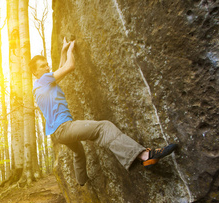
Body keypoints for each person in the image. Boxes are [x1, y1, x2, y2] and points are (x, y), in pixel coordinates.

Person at [30, 38, 178, 186]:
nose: (47, 67)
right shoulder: (44, 80)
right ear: (35, 72)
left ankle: (81, 183)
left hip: (58, 133)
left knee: (79, 152)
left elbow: (59, 70)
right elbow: (70, 66)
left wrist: (63, 52)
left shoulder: (40, 86)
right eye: (43, 66)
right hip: (64, 128)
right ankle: (145, 156)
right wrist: (70, 51)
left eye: (47, 64)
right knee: (103, 127)